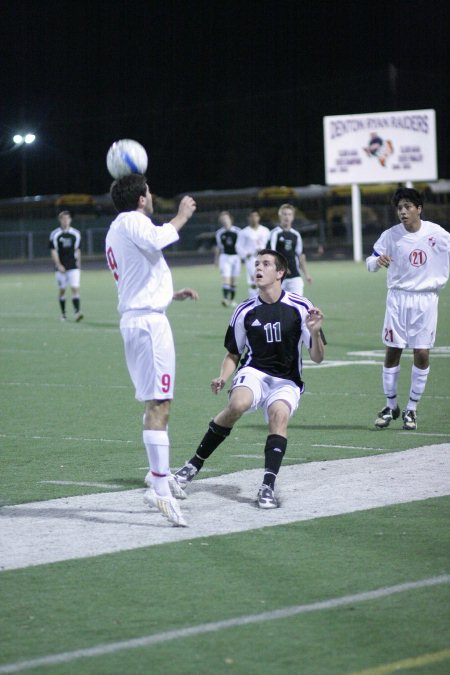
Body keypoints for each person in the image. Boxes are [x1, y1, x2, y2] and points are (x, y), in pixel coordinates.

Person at [174, 249, 325, 508]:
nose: (258, 268)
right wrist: (223, 376)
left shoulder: (302, 307)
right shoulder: (244, 310)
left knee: (279, 416)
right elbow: (233, 353)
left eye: (266, 264)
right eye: (256, 264)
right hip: (254, 371)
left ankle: (267, 486)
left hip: (287, 380)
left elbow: (318, 357)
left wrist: (316, 332)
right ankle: (192, 466)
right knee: (237, 405)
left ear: (280, 273)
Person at [105, 173, 198, 527]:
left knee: (154, 401)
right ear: (141, 199)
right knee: (160, 403)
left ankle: (156, 475)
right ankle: (158, 488)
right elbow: (160, 237)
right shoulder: (132, 220)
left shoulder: (119, 227)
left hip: (139, 317)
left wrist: (166, 294)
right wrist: (183, 215)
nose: (152, 195)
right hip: (147, 325)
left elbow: (137, 270)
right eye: (148, 191)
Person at [366, 187, 450, 431]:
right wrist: (376, 262)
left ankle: (412, 409)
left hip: (425, 300)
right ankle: (390, 405)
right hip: (398, 299)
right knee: (393, 350)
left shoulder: (438, 234)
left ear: (419, 209)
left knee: (422, 353)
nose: (402, 212)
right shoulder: (390, 236)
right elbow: (370, 262)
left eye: (407, 207)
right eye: (399, 208)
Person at [269, 203, 312, 296]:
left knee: (297, 305)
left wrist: (306, 274)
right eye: (284, 214)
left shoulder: (296, 235)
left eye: (289, 214)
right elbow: (270, 254)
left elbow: (301, 255)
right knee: (279, 307)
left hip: (295, 276)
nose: (287, 217)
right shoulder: (274, 233)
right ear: (280, 216)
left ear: (293, 217)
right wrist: (281, 266)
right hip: (278, 278)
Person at [49, 210, 83, 321]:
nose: (65, 221)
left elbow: (77, 249)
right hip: (61, 268)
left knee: (75, 288)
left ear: (70, 220)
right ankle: (63, 314)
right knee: (62, 290)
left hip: (73, 266)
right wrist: (58, 265)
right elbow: (53, 251)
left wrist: (78, 263)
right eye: (63, 219)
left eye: (67, 218)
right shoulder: (55, 234)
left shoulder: (76, 234)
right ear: (60, 220)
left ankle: (77, 313)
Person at [236, 209, 270, 298]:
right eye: (251, 216)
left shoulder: (265, 231)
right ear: (248, 218)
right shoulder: (244, 232)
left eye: (256, 216)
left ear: (259, 217)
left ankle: (264, 301)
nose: (254, 218)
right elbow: (238, 246)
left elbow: (270, 244)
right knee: (254, 282)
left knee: (265, 281)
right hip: (252, 260)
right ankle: (253, 301)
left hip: (265, 260)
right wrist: (247, 254)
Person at [214, 210, 241, 306]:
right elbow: (218, 247)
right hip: (225, 257)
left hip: (236, 257)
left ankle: (232, 300)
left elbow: (241, 245)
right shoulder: (219, 233)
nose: (224, 220)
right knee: (226, 278)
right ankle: (225, 299)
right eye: (222, 219)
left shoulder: (238, 231)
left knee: (234, 280)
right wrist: (216, 260)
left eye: (226, 218)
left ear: (230, 219)